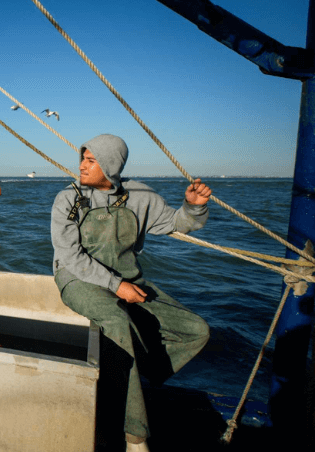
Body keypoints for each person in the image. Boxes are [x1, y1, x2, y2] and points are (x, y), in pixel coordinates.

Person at [51, 134, 211, 452]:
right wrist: (116, 287)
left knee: (196, 330)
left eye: (90, 160)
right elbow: (70, 257)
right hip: (78, 279)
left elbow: (174, 223)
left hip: (127, 278)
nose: (82, 166)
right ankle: (133, 435)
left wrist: (193, 208)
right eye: (82, 158)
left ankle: (129, 382)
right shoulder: (68, 199)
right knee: (116, 320)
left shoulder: (140, 195)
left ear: (111, 165)